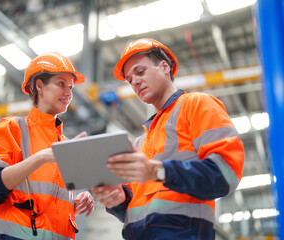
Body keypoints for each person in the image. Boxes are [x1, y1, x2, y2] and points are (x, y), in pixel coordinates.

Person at [92, 38, 244, 239]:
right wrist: (118, 200)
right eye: (129, 79)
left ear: (164, 67)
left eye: (140, 72)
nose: (135, 82)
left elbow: (227, 174)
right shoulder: (140, 143)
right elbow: (134, 209)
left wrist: (158, 171)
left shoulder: (196, 105)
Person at [0, 52, 95, 240]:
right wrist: (41, 157)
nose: (69, 93)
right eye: (61, 84)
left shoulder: (65, 144)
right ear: (39, 86)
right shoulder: (13, 128)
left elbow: (47, 202)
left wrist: (73, 205)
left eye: (70, 87)